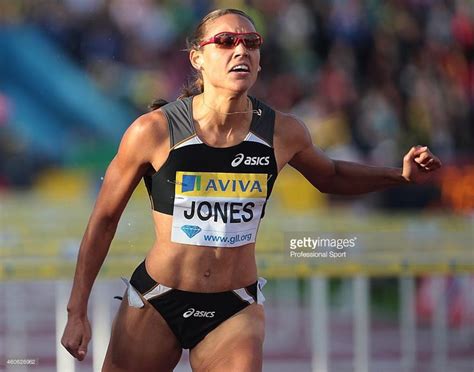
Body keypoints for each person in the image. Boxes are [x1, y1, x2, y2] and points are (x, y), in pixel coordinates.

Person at [61, 8, 442, 372]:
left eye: (251, 42)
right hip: (157, 299)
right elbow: (105, 219)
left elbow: (332, 176)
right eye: (225, 41)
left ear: (259, 60)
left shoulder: (281, 132)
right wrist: (77, 310)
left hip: (235, 306)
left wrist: (400, 176)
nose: (241, 49)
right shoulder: (153, 131)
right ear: (198, 58)